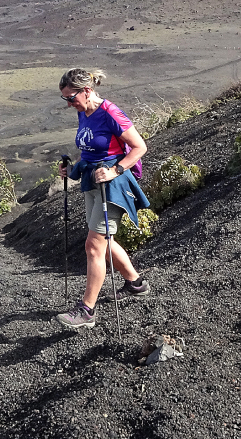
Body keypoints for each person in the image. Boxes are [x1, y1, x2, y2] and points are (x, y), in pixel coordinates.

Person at [56, 67, 152, 329]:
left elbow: (140, 146)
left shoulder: (110, 112)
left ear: (87, 91)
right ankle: (135, 283)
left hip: (113, 186)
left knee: (94, 246)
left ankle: (86, 311)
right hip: (92, 181)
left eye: (71, 97)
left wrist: (115, 170)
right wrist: (72, 170)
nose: (68, 103)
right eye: (64, 98)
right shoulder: (83, 112)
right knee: (104, 240)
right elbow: (88, 150)